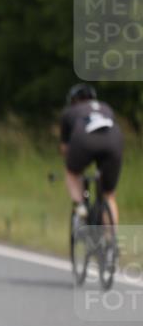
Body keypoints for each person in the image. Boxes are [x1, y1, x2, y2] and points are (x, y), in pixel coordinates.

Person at [60, 83, 123, 225]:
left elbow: (65, 148)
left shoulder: (70, 112)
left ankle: (81, 206)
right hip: (114, 141)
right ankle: (111, 242)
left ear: (73, 100)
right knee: (109, 195)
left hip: (84, 140)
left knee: (72, 173)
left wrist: (74, 166)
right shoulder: (106, 107)